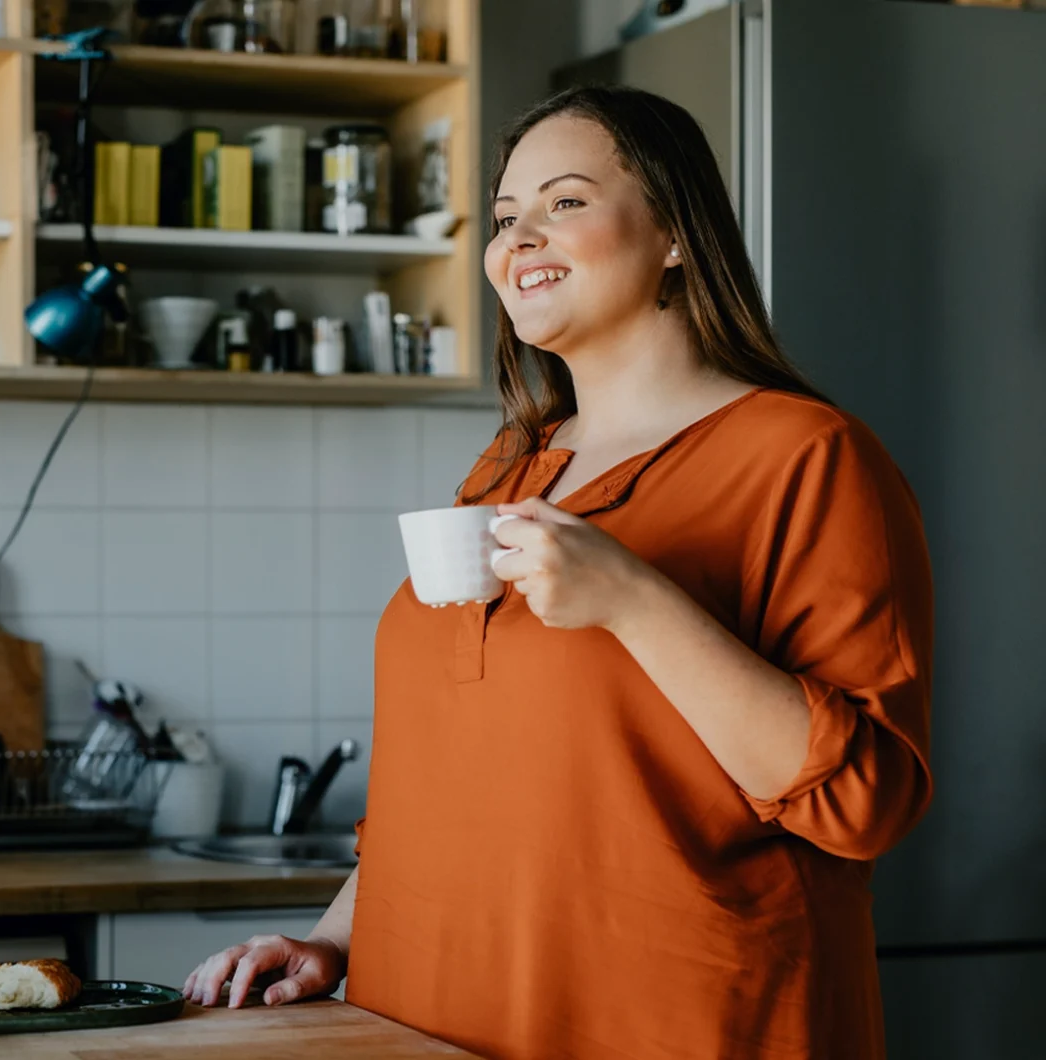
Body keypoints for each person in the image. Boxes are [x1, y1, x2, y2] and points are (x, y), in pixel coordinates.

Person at [182, 84, 934, 1059]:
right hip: (437, 1019)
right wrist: (333, 939)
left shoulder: (805, 455)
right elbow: (457, 776)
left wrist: (633, 601)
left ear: (674, 233)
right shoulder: (509, 464)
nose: (519, 238)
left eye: (565, 202)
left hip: (673, 1024)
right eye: (504, 218)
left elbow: (866, 802)